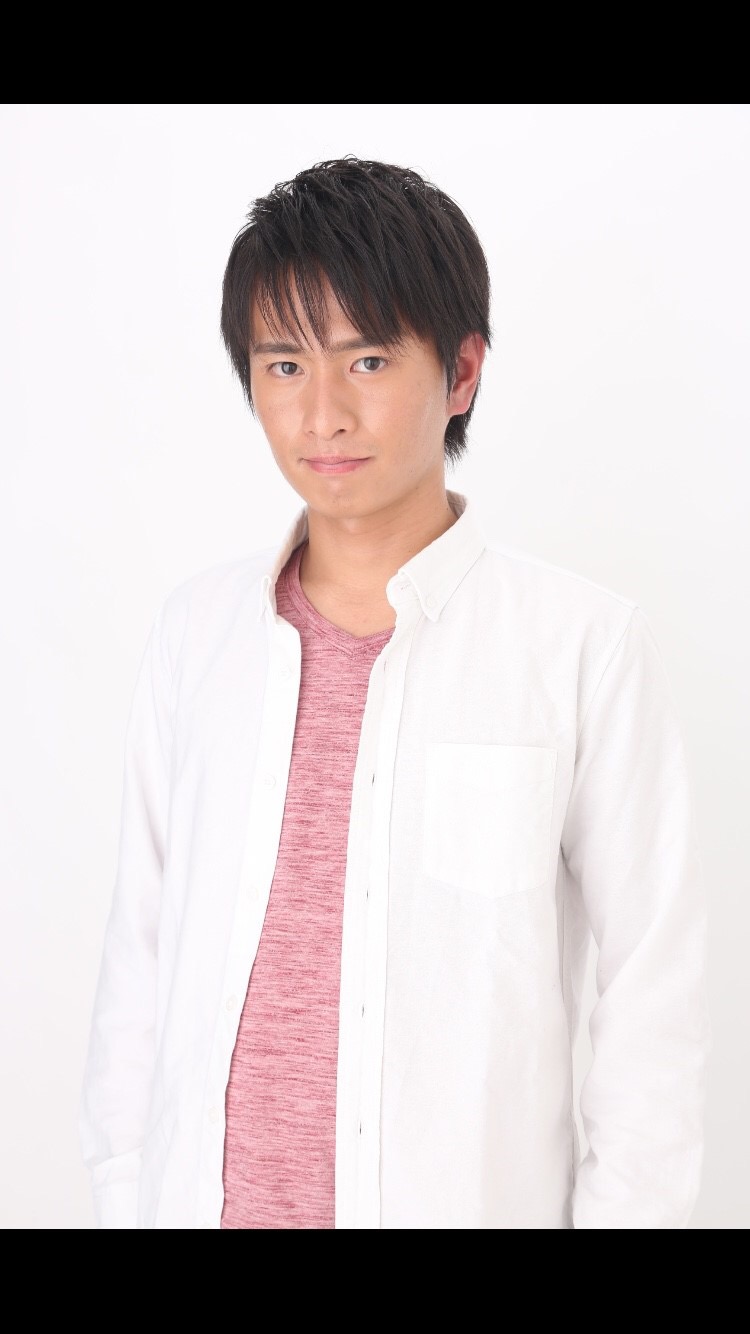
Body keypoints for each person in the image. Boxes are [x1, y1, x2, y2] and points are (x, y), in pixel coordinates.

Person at [78, 156, 711, 1230]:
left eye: (367, 359)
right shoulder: (197, 636)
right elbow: (138, 966)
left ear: (461, 372)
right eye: (284, 365)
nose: (322, 412)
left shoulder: (580, 649)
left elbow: (657, 1003)